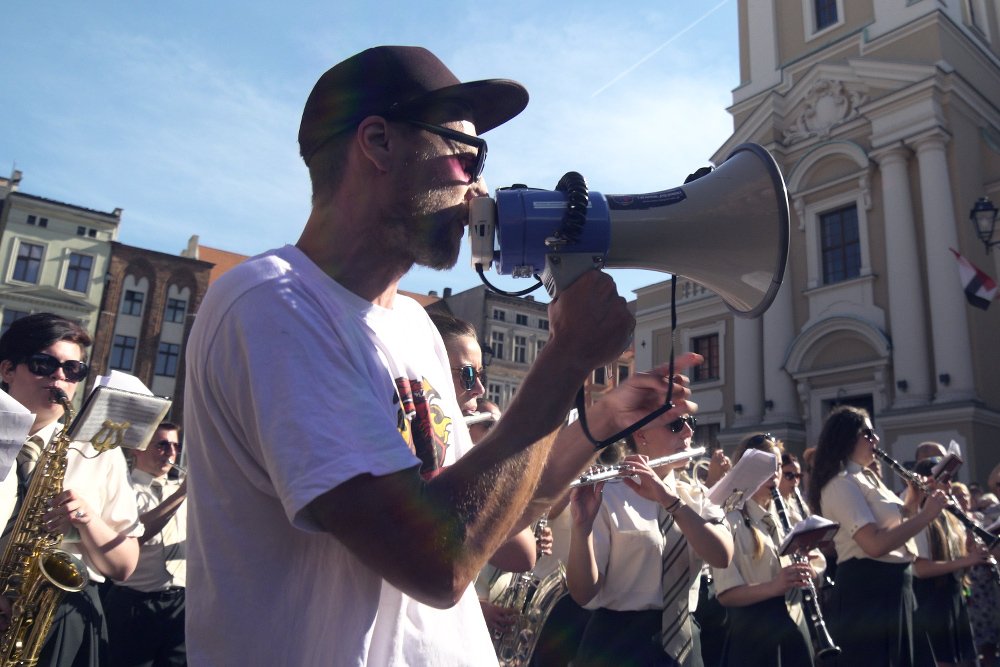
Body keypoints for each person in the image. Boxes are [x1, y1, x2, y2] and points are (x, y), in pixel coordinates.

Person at [182, 45, 700, 666]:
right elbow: (438, 561)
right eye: (467, 157)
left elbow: (493, 517)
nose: (480, 188)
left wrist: (600, 421)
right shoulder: (272, 305)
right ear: (378, 143)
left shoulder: (413, 327)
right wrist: (565, 359)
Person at [0, 312, 141, 666]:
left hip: (63, 616)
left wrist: (86, 519)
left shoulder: (99, 451)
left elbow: (124, 565)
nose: (59, 377)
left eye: (73, 370)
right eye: (43, 364)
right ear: (7, 369)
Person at [566, 414, 733, 667]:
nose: (688, 432)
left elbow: (722, 556)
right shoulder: (606, 495)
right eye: (675, 425)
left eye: (691, 423)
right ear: (641, 434)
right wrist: (582, 529)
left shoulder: (698, 497)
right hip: (618, 643)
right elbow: (583, 593)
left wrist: (670, 501)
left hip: (685, 639)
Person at [809, 405, 947, 667]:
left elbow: (894, 526)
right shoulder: (840, 483)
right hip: (868, 589)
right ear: (847, 437)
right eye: (868, 434)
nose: (876, 440)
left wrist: (913, 501)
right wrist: (927, 515)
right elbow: (873, 544)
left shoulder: (868, 477)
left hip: (896, 584)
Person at [712, 433, 817, 667]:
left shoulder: (786, 515)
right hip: (755, 635)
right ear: (745, 470)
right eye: (766, 466)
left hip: (794, 624)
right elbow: (726, 594)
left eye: (777, 466)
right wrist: (774, 586)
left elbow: (814, 561)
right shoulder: (729, 519)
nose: (775, 474)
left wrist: (808, 569)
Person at [104, 421, 188, 666]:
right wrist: (181, 494)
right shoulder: (125, 489)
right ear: (137, 449)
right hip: (135, 604)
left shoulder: (182, 489)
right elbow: (136, 534)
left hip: (179, 604)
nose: (171, 452)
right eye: (162, 445)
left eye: (175, 446)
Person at [909, 457, 983, 667]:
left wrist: (970, 550)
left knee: (965, 661)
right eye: (945, 479)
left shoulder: (949, 516)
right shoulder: (919, 519)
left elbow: (960, 562)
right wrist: (966, 561)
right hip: (931, 602)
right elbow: (921, 569)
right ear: (929, 482)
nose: (950, 486)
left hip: (953, 597)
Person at [952, 481, 1000, 667]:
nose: (962, 499)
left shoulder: (980, 517)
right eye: (957, 496)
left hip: (987, 583)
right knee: (972, 637)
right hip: (968, 583)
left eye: (964, 495)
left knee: (990, 634)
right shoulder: (952, 521)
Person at [779, 452, 808, 526]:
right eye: (789, 475)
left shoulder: (798, 501)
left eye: (798, 476)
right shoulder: (770, 504)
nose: (795, 480)